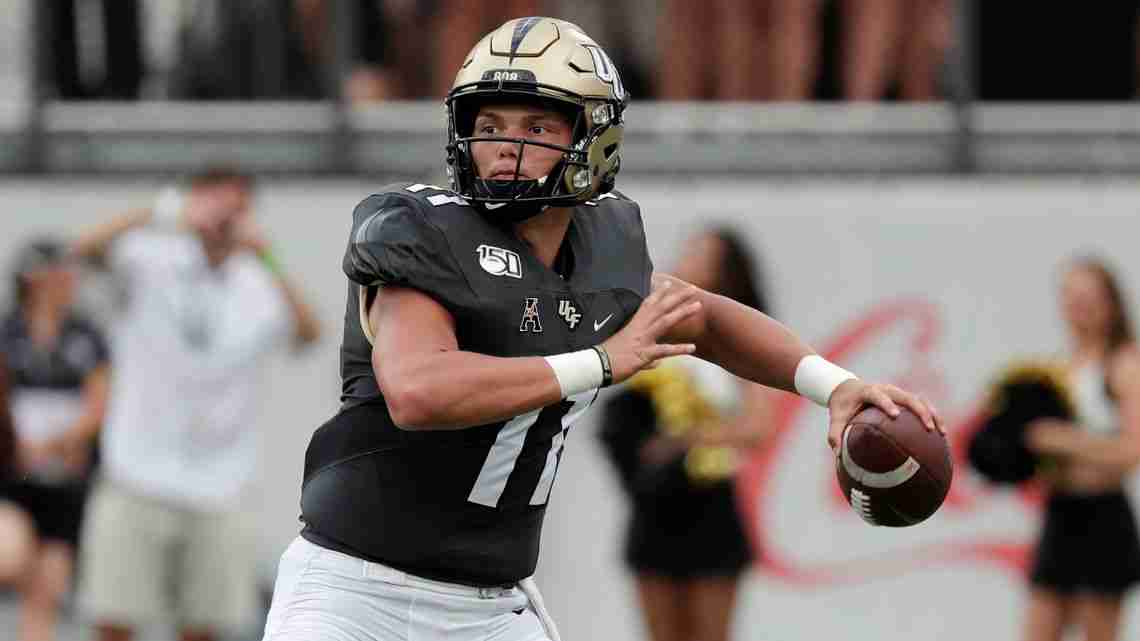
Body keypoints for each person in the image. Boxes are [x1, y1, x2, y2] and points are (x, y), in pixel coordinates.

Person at [260, 17, 943, 641]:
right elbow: (418, 390)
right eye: (489, 123)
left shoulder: (604, 246)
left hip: (490, 607)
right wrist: (600, 359)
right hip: (353, 593)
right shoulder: (420, 230)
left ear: (593, 135)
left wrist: (836, 384)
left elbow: (701, 315)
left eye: (536, 128)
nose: (505, 146)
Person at [70, 168, 322, 641]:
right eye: (214, 202)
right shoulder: (148, 256)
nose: (222, 217)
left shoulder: (258, 281)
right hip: (134, 474)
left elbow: (310, 332)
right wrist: (165, 213)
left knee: (204, 627)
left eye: (234, 207)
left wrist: (267, 256)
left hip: (220, 485)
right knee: (113, 620)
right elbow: (81, 250)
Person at [598, 228, 774, 641]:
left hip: (709, 502)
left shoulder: (742, 338)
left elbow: (758, 427)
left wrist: (687, 439)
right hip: (655, 501)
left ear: (726, 270)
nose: (687, 257)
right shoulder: (651, 324)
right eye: (689, 248)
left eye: (702, 253)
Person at [1021, 258, 1140, 641]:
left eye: (1088, 299)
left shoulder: (1123, 364)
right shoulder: (1060, 367)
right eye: (1071, 299)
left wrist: (1062, 440)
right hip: (1060, 513)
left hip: (1102, 516)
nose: (1078, 309)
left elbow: (1131, 450)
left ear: (1111, 304)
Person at [0, 239, 110, 641]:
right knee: (11, 557)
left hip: (65, 480)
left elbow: (100, 402)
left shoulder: (85, 337)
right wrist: (18, 445)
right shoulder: (8, 334)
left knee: (47, 592)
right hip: (14, 478)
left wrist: (63, 441)